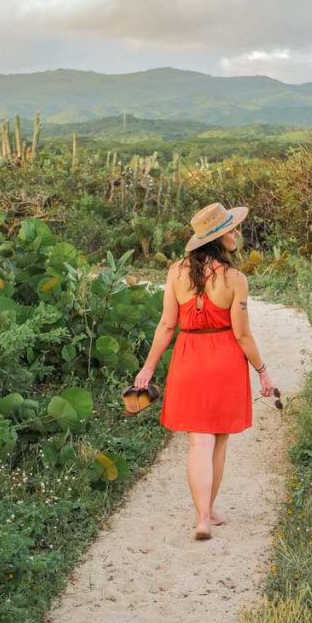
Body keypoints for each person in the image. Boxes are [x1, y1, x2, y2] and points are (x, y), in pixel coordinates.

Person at [132, 201, 274, 542]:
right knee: (219, 439)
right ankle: (208, 512)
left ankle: (201, 519)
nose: (236, 233)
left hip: (188, 359)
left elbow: (167, 325)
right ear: (218, 237)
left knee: (199, 442)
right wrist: (263, 371)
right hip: (224, 360)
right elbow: (242, 334)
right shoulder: (235, 279)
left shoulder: (176, 272)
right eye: (231, 228)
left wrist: (148, 368)